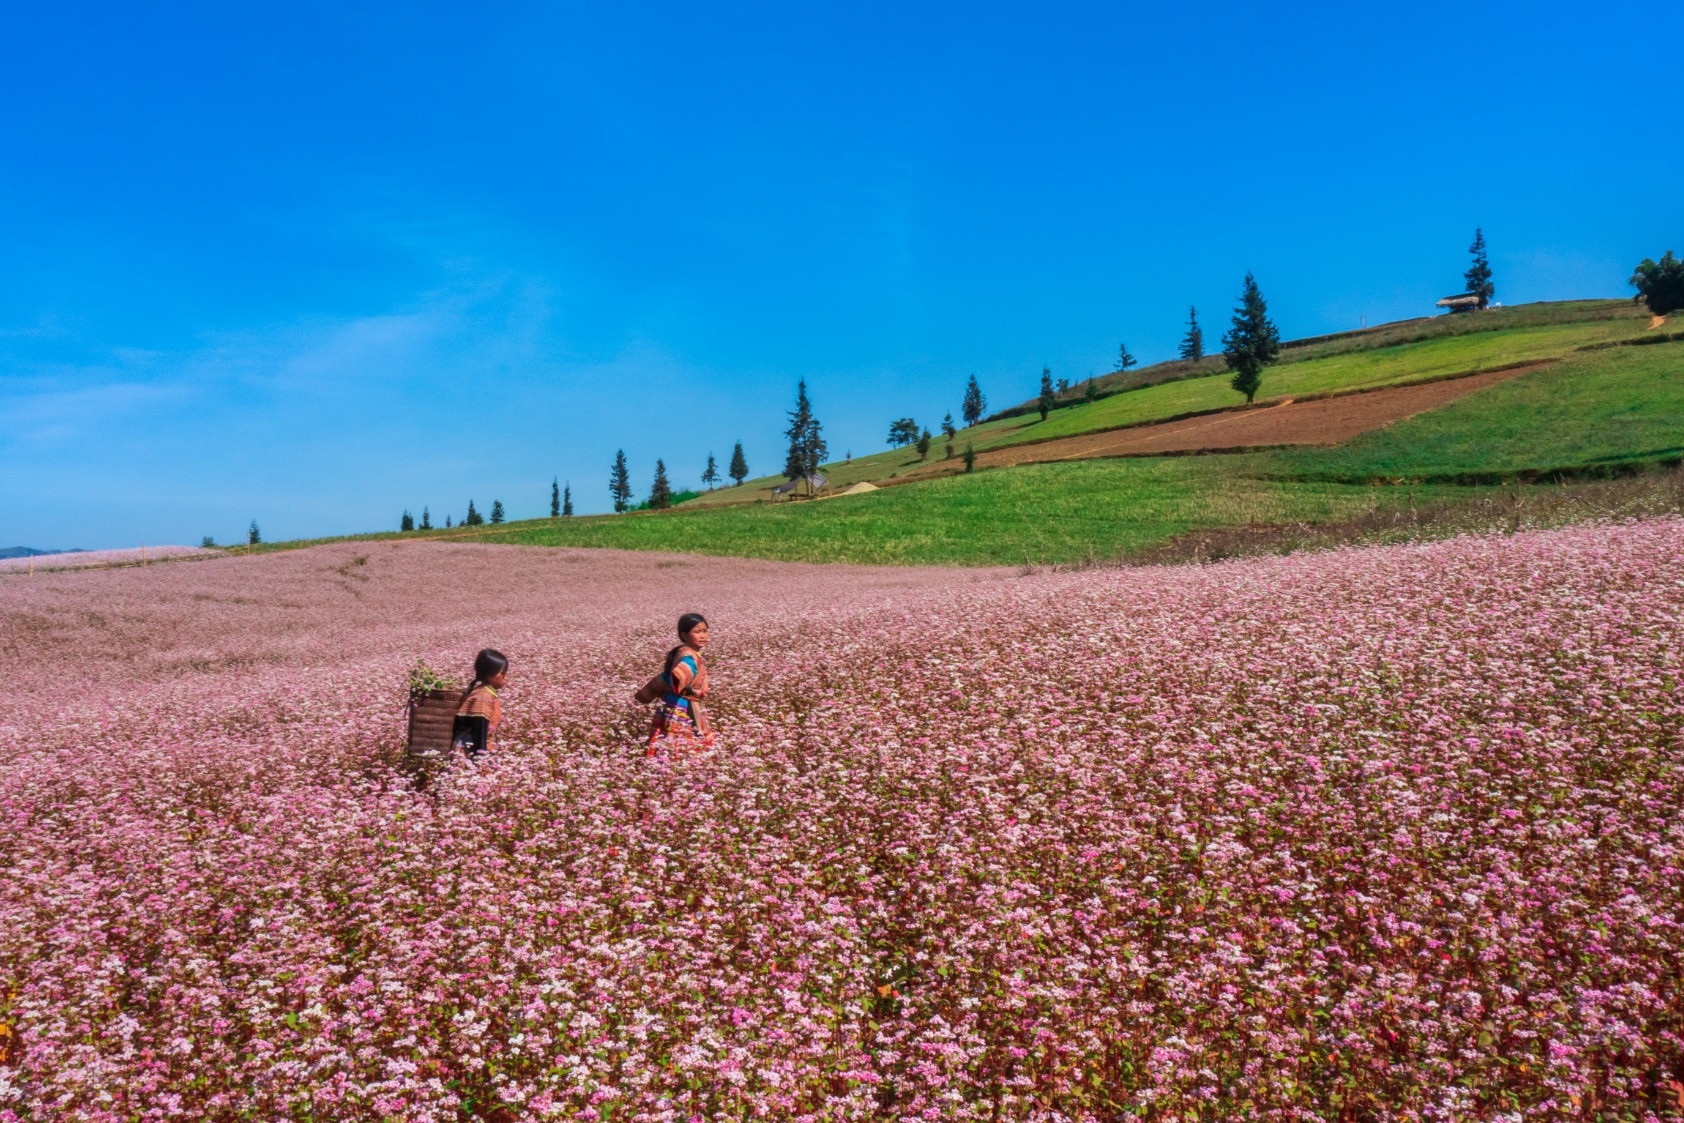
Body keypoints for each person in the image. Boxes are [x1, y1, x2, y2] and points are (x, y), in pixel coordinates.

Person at [633, 613, 712, 751]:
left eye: (705, 631)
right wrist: (680, 678)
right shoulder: (689, 656)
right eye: (697, 632)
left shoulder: (681, 651)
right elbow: (683, 671)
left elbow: (666, 676)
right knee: (684, 745)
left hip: (671, 701)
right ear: (684, 635)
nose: (702, 636)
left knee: (668, 742)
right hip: (683, 706)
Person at [454, 648, 508, 761]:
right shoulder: (483, 696)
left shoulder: (486, 692)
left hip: (475, 750)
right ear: (489, 674)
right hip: (470, 754)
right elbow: (479, 731)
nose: (506, 677)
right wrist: (481, 761)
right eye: (502, 673)